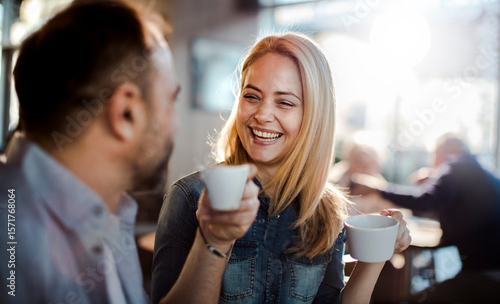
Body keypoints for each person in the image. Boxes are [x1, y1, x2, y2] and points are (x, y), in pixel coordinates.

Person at [0, 0, 260, 304]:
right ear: (126, 113)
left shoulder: (106, 214)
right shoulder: (12, 241)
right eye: (171, 101)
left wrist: (214, 238)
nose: (175, 122)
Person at [152, 32, 411, 304]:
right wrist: (213, 242)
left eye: (285, 102)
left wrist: (377, 252)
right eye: (252, 96)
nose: (262, 115)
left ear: (313, 116)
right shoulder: (191, 196)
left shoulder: (325, 210)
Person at [351, 133, 500, 302]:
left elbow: (424, 200)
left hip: (486, 275)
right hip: (489, 269)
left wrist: (378, 188)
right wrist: (435, 178)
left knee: (417, 299)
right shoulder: (481, 170)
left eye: (433, 156)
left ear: (441, 152)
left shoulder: (454, 165)